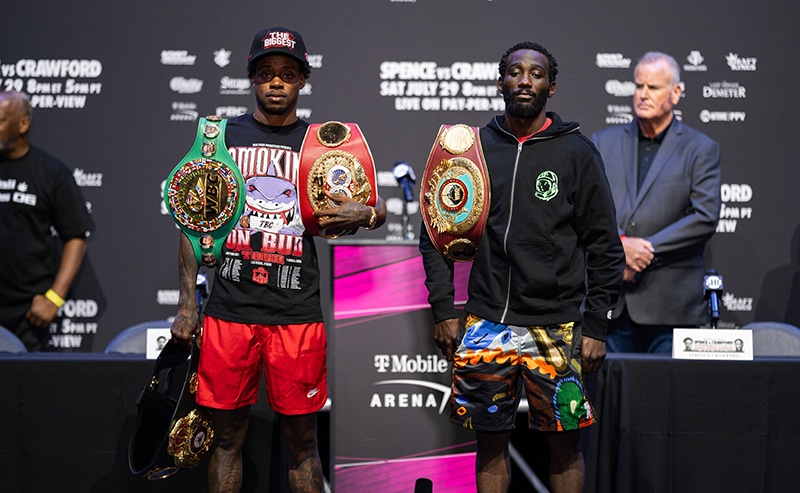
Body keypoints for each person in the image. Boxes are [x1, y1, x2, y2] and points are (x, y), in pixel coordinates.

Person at [170, 27, 386, 493]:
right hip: (230, 310)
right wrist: (187, 303)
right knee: (226, 439)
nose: (276, 83)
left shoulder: (322, 143)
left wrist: (365, 212)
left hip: (296, 313)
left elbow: (376, 206)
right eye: (266, 73)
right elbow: (192, 223)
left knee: (303, 442)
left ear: (302, 82)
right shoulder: (220, 138)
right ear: (251, 78)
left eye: (287, 74)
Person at [419, 42, 624, 493]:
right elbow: (434, 232)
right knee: (490, 446)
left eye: (536, 73)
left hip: (558, 325)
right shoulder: (471, 149)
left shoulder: (577, 152)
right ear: (500, 82)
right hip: (487, 322)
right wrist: (442, 309)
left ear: (551, 85)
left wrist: (596, 326)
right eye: (515, 71)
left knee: (565, 447)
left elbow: (605, 248)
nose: (525, 80)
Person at [591, 52, 722, 354]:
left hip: (672, 306)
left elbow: (704, 216)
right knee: (609, 400)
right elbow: (588, 210)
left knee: (667, 400)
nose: (643, 95)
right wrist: (620, 246)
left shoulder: (700, 149)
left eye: (653, 87)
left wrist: (644, 250)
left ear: (675, 93)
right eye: (639, 86)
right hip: (612, 302)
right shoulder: (602, 142)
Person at [0, 90, 94, 351]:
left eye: (0, 121)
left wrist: (54, 298)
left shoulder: (51, 172)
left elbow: (76, 236)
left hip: (27, 314)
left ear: (23, 124)